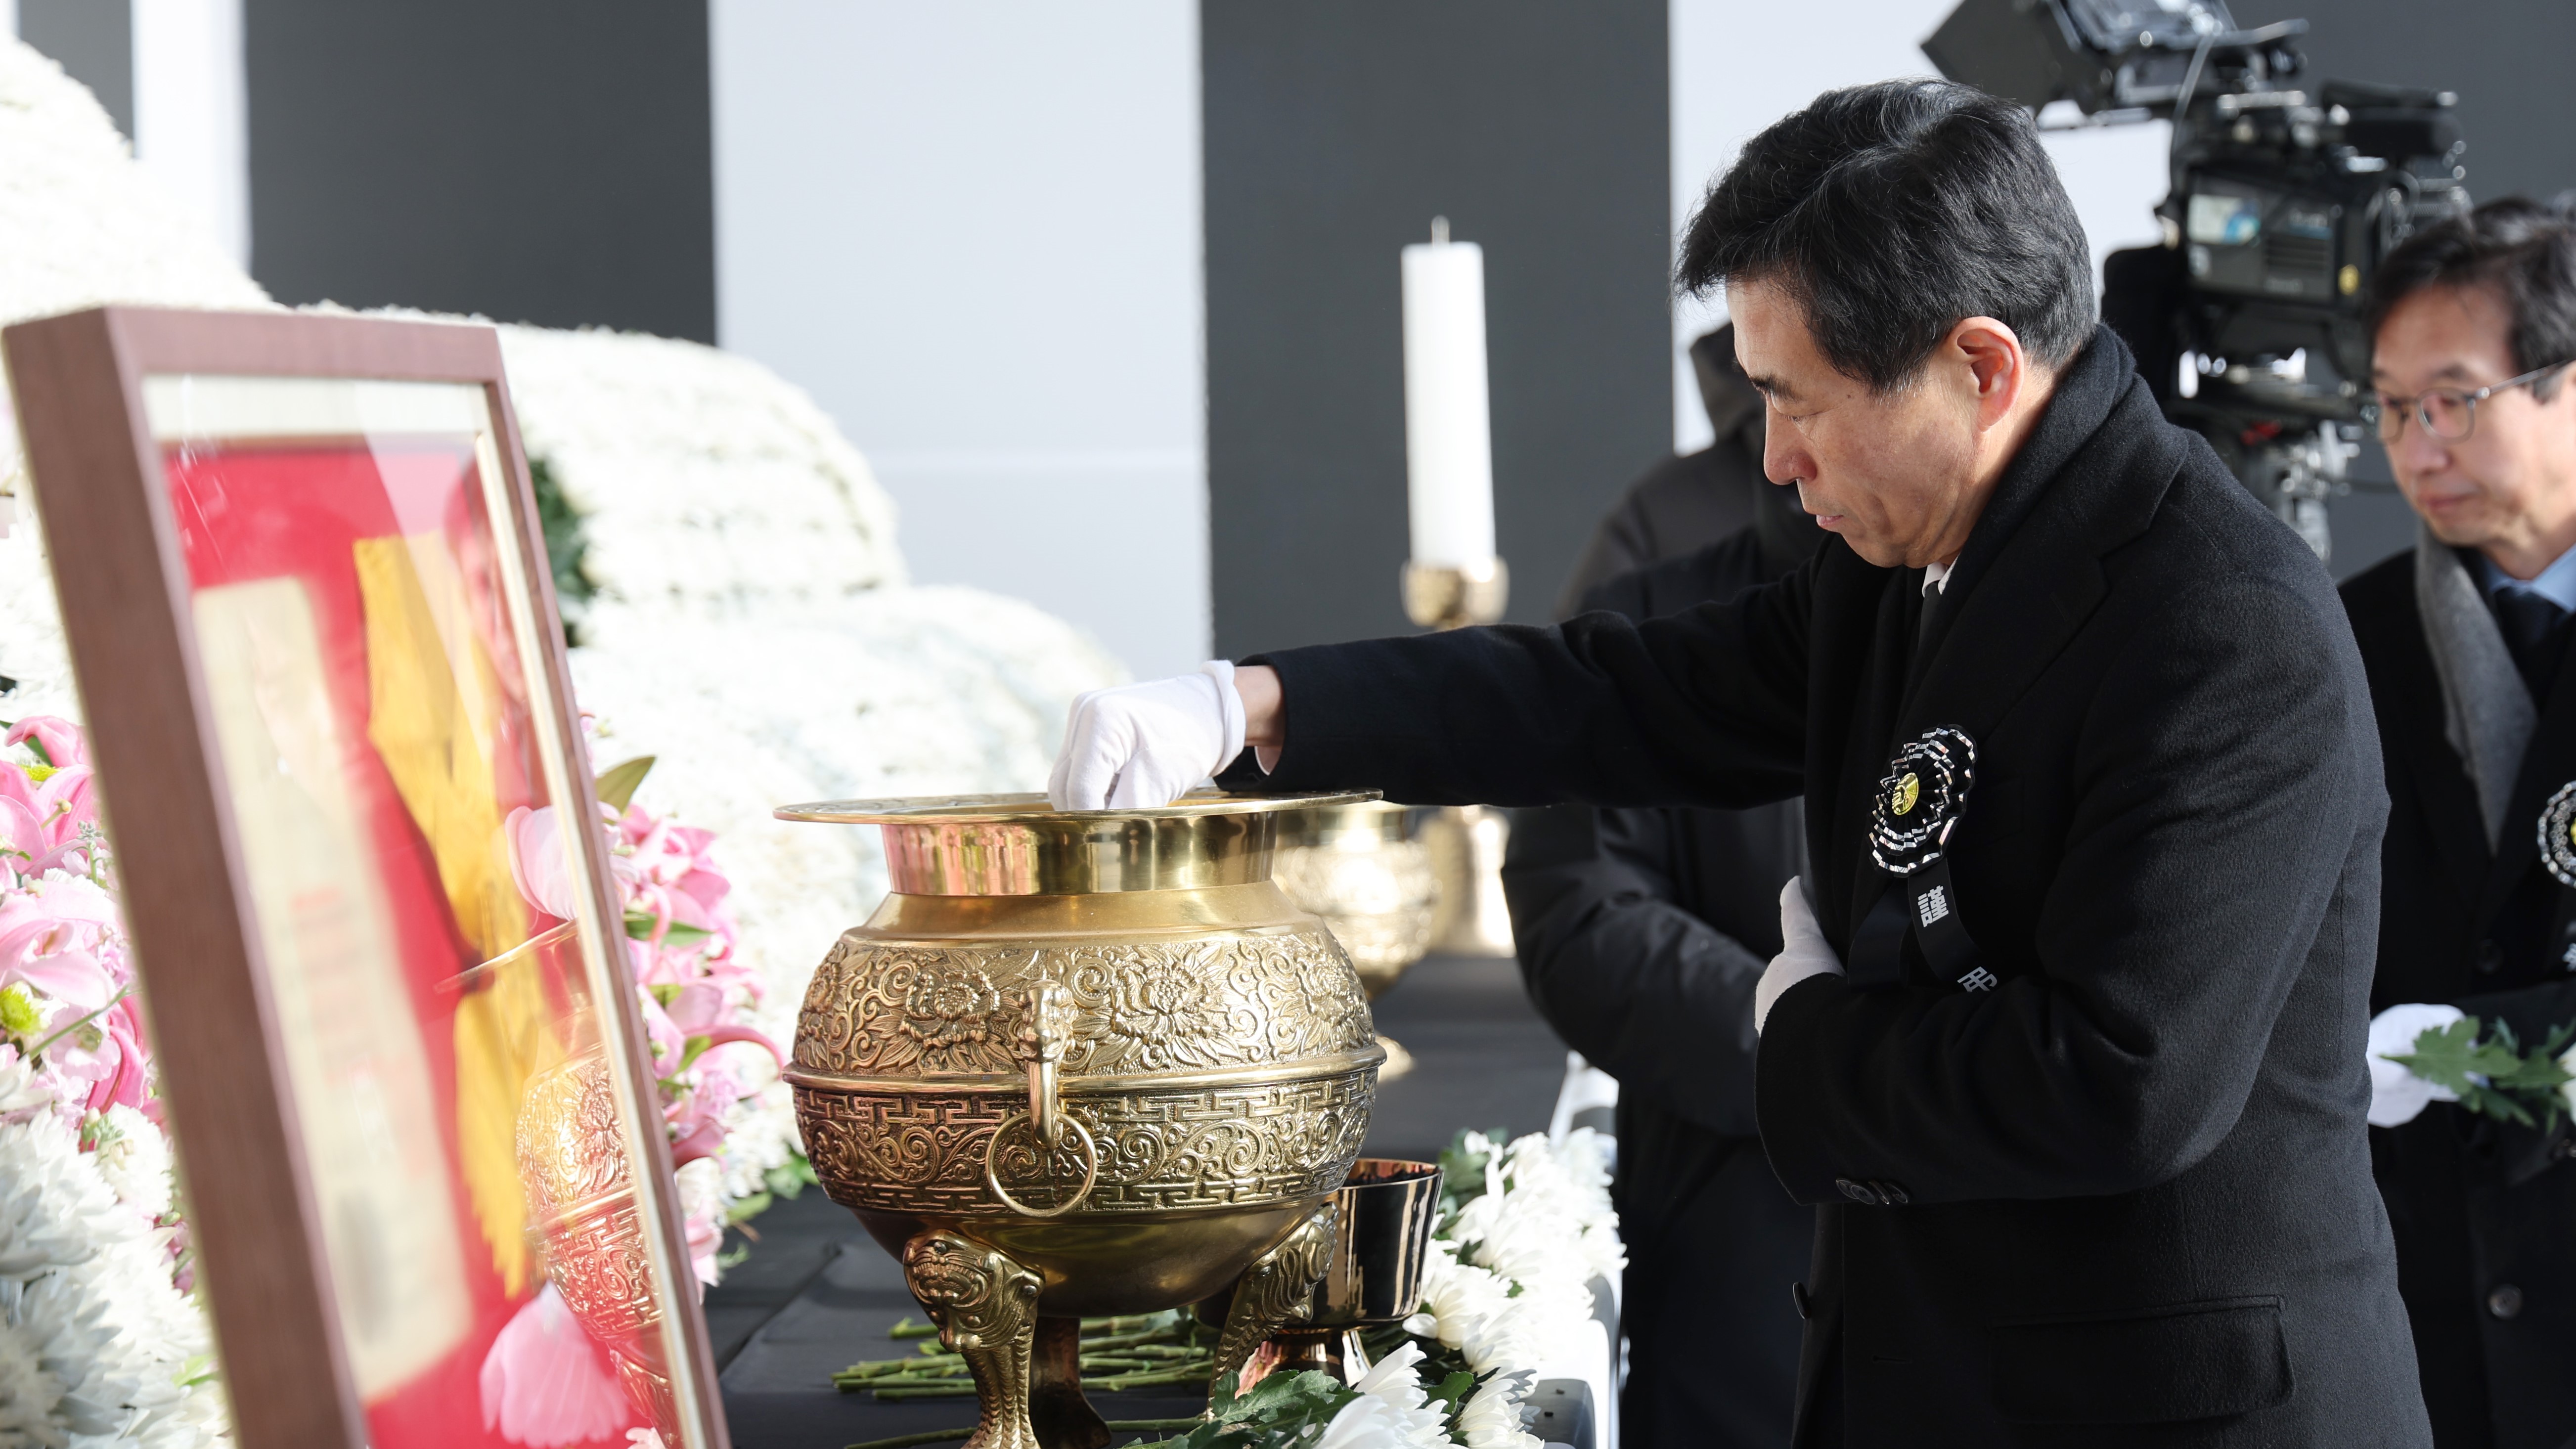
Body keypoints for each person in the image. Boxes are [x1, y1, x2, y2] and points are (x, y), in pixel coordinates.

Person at [1048, 79, 2426, 1444]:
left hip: (2158, 1407)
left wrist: (1804, 1034)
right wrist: (1254, 706)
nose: (1771, 458)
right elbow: (1614, 691)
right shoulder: (1901, 562)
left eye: (1798, 400)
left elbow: (2122, 1083)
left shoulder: (2220, 622)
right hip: (1936, 1374)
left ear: (1980, 365)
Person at [1506, 330, 1821, 1448]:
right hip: (1737, 1215)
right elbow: (1577, 891)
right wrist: (1819, 1057)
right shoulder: (1661, 551)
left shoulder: (2040, 586)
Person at [2340, 197, 2576, 1449]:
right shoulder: (2341, 641)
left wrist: (2453, 1056)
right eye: (2390, 407)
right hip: (2419, 1324)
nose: (2418, 445)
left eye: (2455, 398)